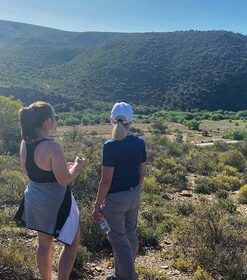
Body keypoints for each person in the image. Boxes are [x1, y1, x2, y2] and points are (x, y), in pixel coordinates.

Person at [14, 101, 85, 280]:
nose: (57, 120)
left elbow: (30, 172)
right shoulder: (53, 147)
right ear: (47, 121)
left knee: (44, 245)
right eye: (56, 117)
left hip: (35, 199)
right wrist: (77, 166)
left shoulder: (25, 143)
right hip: (57, 202)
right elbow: (64, 180)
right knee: (72, 243)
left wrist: (60, 167)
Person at [93, 102, 147, 280]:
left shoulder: (110, 146)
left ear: (111, 120)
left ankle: (127, 277)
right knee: (130, 235)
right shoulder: (139, 143)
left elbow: (106, 180)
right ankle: (121, 274)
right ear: (131, 121)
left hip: (116, 200)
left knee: (118, 240)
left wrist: (97, 204)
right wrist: (135, 191)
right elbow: (142, 172)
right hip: (134, 195)